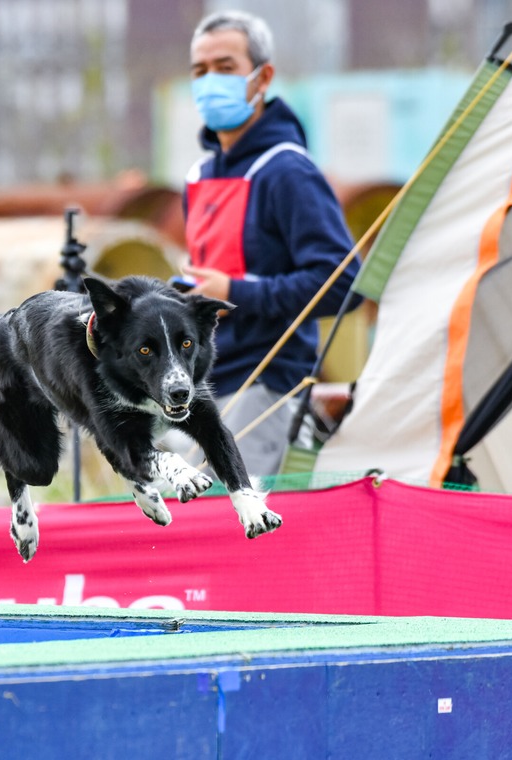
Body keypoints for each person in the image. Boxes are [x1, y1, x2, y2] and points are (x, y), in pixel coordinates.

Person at [176, 9, 360, 477]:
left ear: (263, 78)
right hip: (198, 385)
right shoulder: (198, 177)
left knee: (233, 530)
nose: (209, 81)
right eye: (200, 71)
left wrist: (234, 293)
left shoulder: (288, 171)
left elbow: (343, 284)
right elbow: (212, 282)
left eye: (225, 67)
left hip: (263, 388)